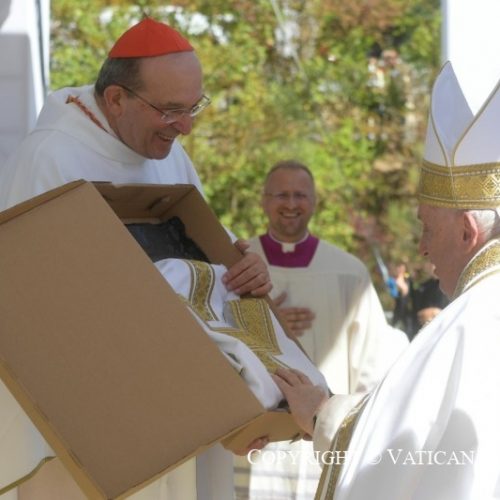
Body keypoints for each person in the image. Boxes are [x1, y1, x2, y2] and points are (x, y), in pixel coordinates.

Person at [0, 17, 272, 500]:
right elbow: (34, 305)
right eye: (171, 110)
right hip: (90, 420)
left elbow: (199, 243)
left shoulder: (166, 153)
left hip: (178, 393)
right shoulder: (50, 158)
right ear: (116, 99)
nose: (185, 127)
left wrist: (240, 265)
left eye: (193, 108)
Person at [272, 62, 500, 499]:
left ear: (467, 231)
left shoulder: (472, 321)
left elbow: (401, 455)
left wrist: (320, 414)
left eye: (427, 228)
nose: (422, 248)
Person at [234, 160, 408, 499]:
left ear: (314, 202)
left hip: (320, 433)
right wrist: (265, 322)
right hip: (258, 438)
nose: (291, 204)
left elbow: (372, 363)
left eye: (300, 195)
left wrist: (353, 429)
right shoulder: (236, 264)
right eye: (281, 195)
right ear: (264, 201)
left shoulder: (349, 273)